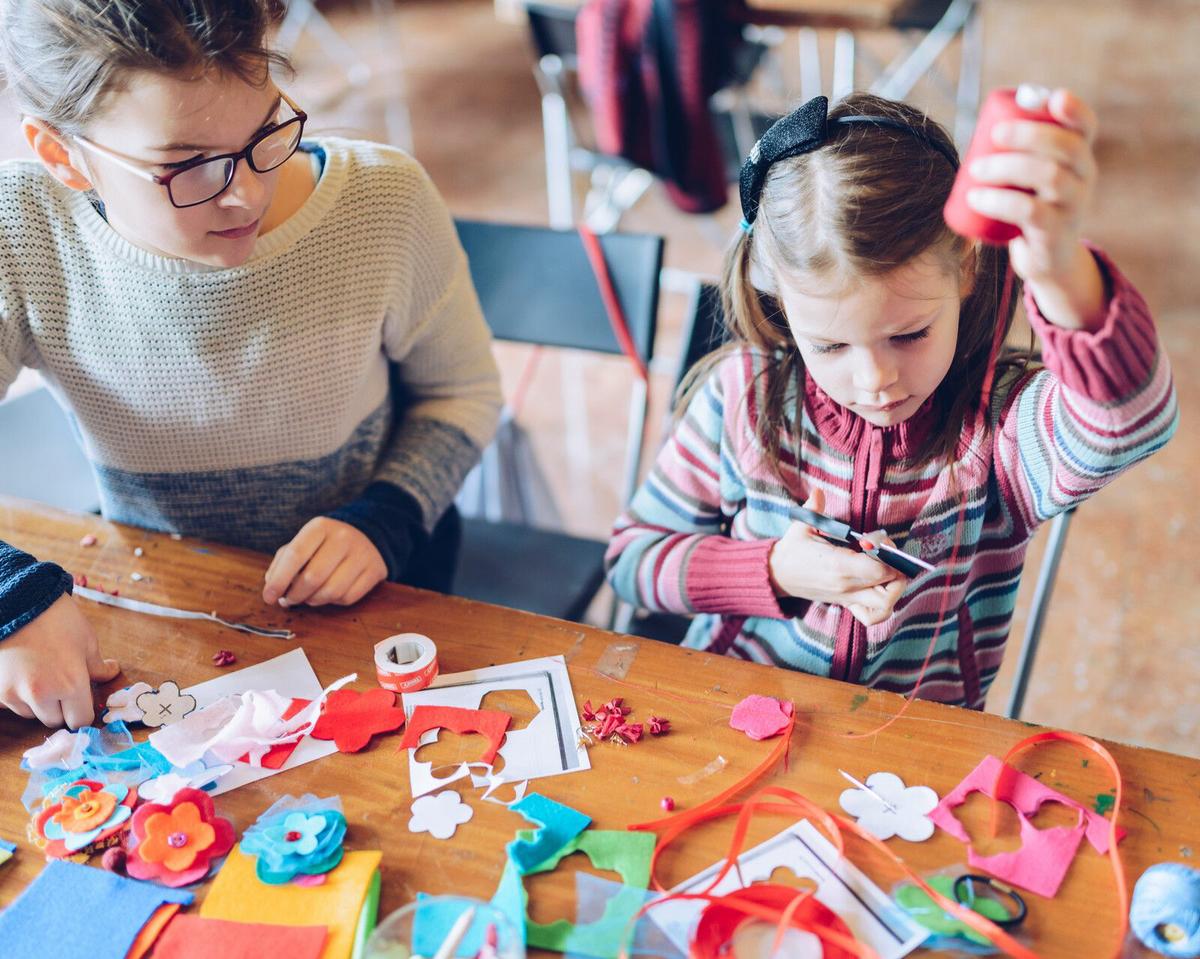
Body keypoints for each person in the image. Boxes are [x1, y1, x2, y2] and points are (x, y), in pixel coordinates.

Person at [0, 0, 502, 727]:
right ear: (61, 155)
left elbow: (463, 394)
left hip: (384, 593)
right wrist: (12, 598)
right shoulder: (23, 229)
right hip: (165, 606)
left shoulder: (383, 201)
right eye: (188, 166)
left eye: (267, 130)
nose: (248, 193)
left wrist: (386, 518)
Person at [606, 90, 1177, 708]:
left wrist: (1058, 267)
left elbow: (1128, 422)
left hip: (911, 751)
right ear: (779, 303)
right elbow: (633, 562)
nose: (875, 379)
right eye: (829, 346)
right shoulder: (740, 395)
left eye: (908, 334)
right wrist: (774, 571)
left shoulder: (1000, 428)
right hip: (732, 715)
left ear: (964, 270)